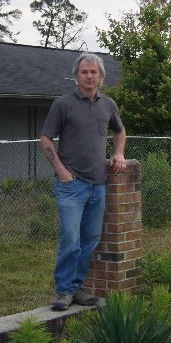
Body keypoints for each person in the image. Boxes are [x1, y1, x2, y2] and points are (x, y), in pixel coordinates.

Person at [40, 52, 126, 311]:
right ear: (76, 76)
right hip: (71, 185)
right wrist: (61, 171)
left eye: (94, 72)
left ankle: (76, 288)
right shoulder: (62, 104)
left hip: (98, 185)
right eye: (84, 72)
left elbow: (119, 131)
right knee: (70, 237)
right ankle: (63, 291)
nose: (89, 76)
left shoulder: (108, 104)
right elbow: (46, 139)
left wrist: (119, 153)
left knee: (90, 238)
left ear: (100, 76)